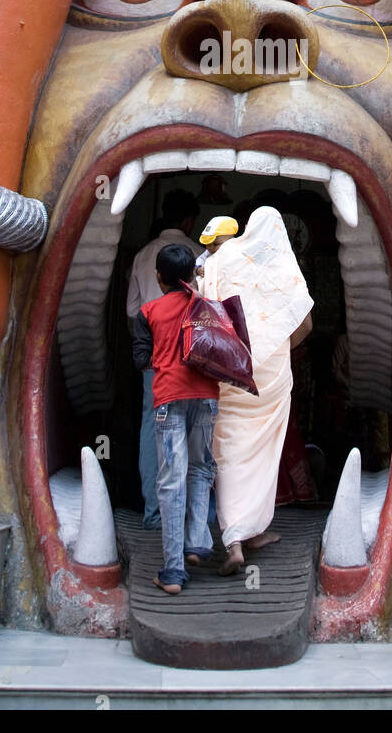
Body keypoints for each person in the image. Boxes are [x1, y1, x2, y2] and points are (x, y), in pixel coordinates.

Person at [200, 206, 313, 575]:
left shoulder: (220, 260)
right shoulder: (281, 265)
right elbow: (306, 325)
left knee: (228, 450)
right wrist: (276, 349)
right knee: (264, 452)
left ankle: (234, 539)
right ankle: (253, 530)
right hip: (272, 372)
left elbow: (205, 308)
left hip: (232, 369)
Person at [131, 243, 219, 594]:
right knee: (200, 468)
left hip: (168, 397)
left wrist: (164, 359)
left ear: (158, 277)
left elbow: (140, 359)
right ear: (190, 275)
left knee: (171, 478)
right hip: (207, 396)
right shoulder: (206, 308)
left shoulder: (148, 311)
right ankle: (197, 541)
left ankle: (173, 571)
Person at [126, 189, 202, 527]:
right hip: (193, 360)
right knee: (194, 435)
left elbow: (131, 309)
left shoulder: (142, 255)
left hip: (154, 362)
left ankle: (154, 511)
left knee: (152, 429)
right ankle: (193, 517)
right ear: (188, 221)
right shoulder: (199, 254)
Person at [193, 214, 238, 282]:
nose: (210, 248)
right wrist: (198, 269)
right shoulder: (207, 253)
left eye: (216, 244)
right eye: (207, 244)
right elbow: (196, 264)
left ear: (231, 239)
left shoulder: (237, 253)